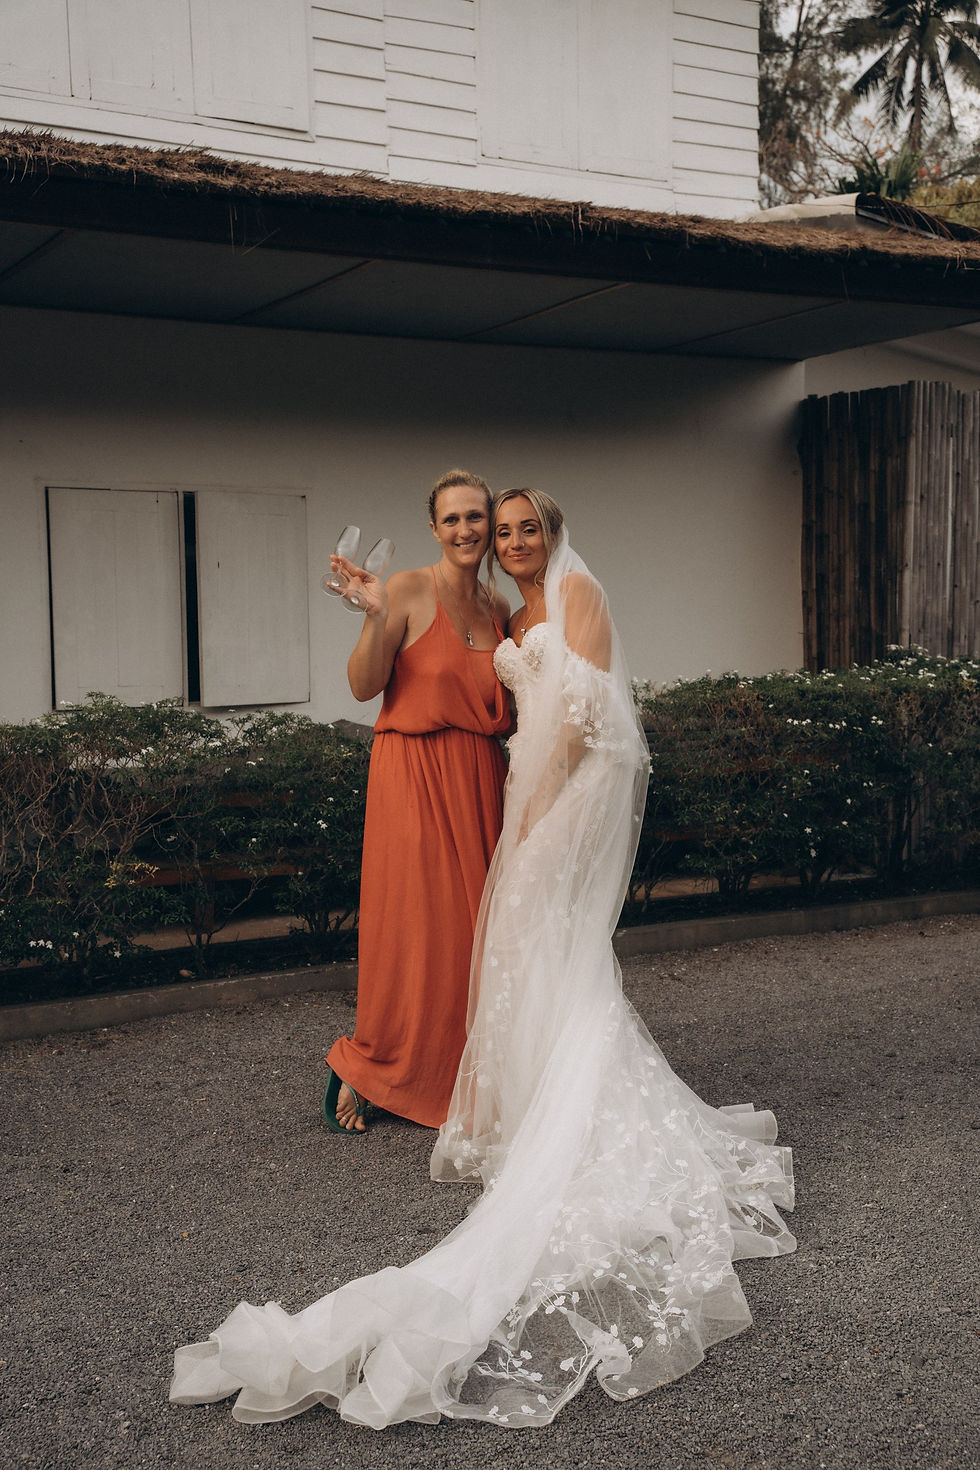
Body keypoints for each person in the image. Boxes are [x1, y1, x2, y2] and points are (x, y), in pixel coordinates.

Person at [171, 490, 796, 1426]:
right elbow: (376, 680)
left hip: (528, 789)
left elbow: (582, 713)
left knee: (519, 946)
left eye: (509, 526)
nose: (494, 537)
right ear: (444, 529)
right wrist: (377, 612)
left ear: (547, 533)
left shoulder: (542, 601)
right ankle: (421, 1071)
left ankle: (537, 1095)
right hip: (467, 781)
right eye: (480, 525)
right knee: (460, 943)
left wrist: (537, 809)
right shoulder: (462, 597)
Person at [322, 469, 510, 1133]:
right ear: (434, 528)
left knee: (473, 934)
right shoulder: (405, 588)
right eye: (451, 519)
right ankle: (366, 1066)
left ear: (490, 525)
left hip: (481, 777)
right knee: (414, 927)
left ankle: (453, 1073)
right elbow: (362, 685)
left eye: (475, 517)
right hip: (413, 772)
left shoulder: (498, 607)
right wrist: (375, 617)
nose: (464, 529)